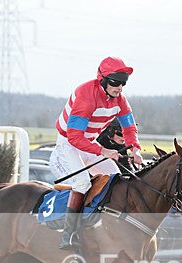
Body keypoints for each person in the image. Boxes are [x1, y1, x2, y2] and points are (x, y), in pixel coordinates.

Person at [49, 56, 144, 250]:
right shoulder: (86, 94)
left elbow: (129, 128)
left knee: (114, 178)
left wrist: (135, 149)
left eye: (123, 83)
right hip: (67, 146)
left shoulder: (120, 100)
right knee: (82, 182)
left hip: (89, 144)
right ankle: (68, 235)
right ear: (103, 79)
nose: (120, 87)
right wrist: (104, 151)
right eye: (116, 82)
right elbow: (74, 137)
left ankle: (106, 228)